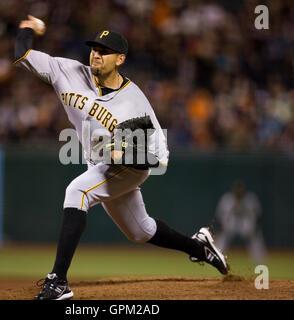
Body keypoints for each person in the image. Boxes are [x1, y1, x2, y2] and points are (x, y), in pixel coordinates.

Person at [14, 15, 229, 300]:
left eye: (104, 51)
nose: (96, 54)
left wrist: (125, 153)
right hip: (99, 163)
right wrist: (28, 28)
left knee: (76, 191)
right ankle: (199, 247)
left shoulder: (135, 102)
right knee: (141, 231)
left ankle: (58, 283)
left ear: (120, 59)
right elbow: (23, 55)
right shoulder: (67, 71)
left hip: (129, 167)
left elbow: (157, 158)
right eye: (94, 48)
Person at [214, 180, 266, 263]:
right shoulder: (227, 199)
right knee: (222, 235)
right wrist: (221, 227)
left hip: (245, 224)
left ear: (244, 190)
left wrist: (255, 226)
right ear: (233, 190)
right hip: (231, 223)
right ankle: (216, 256)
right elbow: (219, 215)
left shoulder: (250, 199)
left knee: (254, 234)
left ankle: (259, 258)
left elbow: (258, 215)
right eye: (237, 190)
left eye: (240, 190)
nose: (238, 192)